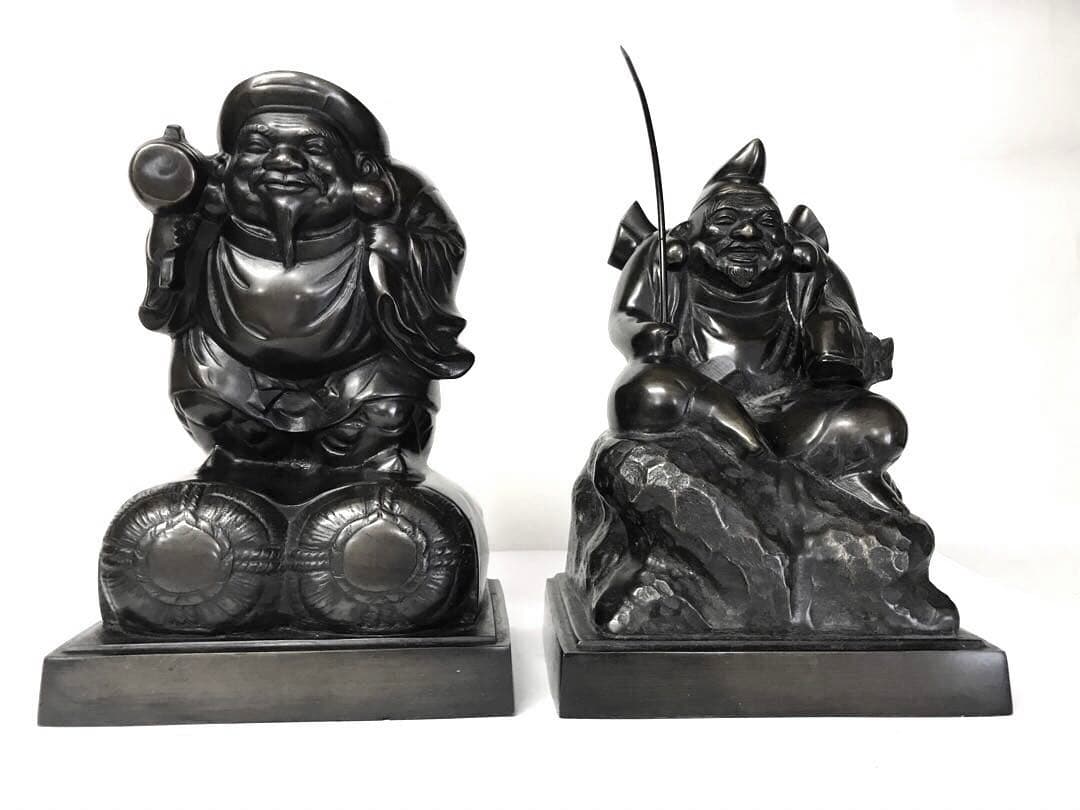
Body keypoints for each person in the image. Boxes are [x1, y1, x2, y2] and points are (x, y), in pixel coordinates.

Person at [130, 71, 472, 475]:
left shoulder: (398, 195)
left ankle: (371, 474)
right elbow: (169, 305)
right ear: (227, 165)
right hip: (236, 372)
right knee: (205, 397)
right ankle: (239, 467)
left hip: (357, 372)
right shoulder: (210, 215)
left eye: (313, 147)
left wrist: (390, 240)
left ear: (359, 169)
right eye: (258, 146)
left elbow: (444, 245)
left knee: (388, 413)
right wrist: (174, 229)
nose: (283, 162)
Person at [608, 139, 905, 510]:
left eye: (765, 223)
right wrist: (645, 336)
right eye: (726, 220)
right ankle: (764, 467)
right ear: (691, 233)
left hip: (791, 412)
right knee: (646, 392)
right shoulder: (664, 254)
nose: (748, 233)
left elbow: (850, 338)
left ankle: (774, 472)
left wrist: (834, 338)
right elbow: (625, 318)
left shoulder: (806, 264)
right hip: (698, 402)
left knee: (878, 422)